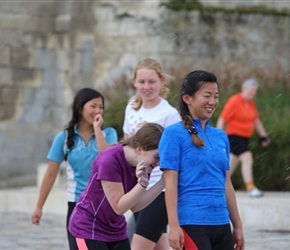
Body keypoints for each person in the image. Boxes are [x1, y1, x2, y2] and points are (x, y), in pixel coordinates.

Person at [159, 70, 245, 250]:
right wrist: (173, 226)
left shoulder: (221, 136)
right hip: (191, 223)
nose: (213, 102)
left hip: (221, 223)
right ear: (187, 98)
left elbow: (226, 183)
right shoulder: (173, 134)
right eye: (207, 95)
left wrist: (237, 226)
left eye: (216, 96)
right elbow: (170, 182)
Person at [31, 88, 118, 250]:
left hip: (106, 205)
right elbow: (50, 174)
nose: (98, 111)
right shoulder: (63, 138)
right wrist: (39, 206)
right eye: (93, 106)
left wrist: (98, 130)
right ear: (80, 108)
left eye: (101, 107)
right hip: (78, 206)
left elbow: (109, 160)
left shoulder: (109, 134)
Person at [68, 122, 165, 250]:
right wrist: (142, 185)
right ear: (139, 149)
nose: (159, 163)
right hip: (88, 228)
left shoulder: (145, 165)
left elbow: (135, 206)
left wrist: (163, 181)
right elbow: (119, 207)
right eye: (157, 157)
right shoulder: (109, 159)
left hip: (115, 230)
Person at [122, 58, 181, 249]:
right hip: (137, 188)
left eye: (152, 82)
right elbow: (125, 145)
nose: (146, 87)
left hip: (160, 190)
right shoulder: (131, 107)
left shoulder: (170, 114)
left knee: (138, 245)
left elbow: (176, 157)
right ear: (134, 82)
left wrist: (151, 135)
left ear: (162, 81)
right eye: (141, 82)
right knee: (158, 246)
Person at [216, 78, 271, 197]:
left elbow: (256, 120)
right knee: (247, 157)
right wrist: (217, 137)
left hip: (244, 138)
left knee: (230, 164)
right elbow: (222, 119)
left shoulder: (251, 104)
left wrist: (264, 136)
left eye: (255, 91)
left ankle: (217, 186)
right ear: (244, 88)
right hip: (233, 135)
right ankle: (250, 188)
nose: (253, 93)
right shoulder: (234, 101)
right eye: (251, 90)